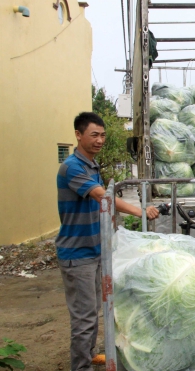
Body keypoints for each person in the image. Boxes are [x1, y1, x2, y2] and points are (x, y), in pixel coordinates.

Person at [56, 112, 160, 371]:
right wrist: (140, 210)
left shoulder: (90, 164)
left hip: (96, 249)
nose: (100, 140)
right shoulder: (72, 167)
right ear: (78, 135)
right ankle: (81, 367)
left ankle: (88, 356)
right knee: (84, 318)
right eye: (94, 135)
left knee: (99, 310)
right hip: (77, 253)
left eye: (102, 135)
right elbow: (102, 197)